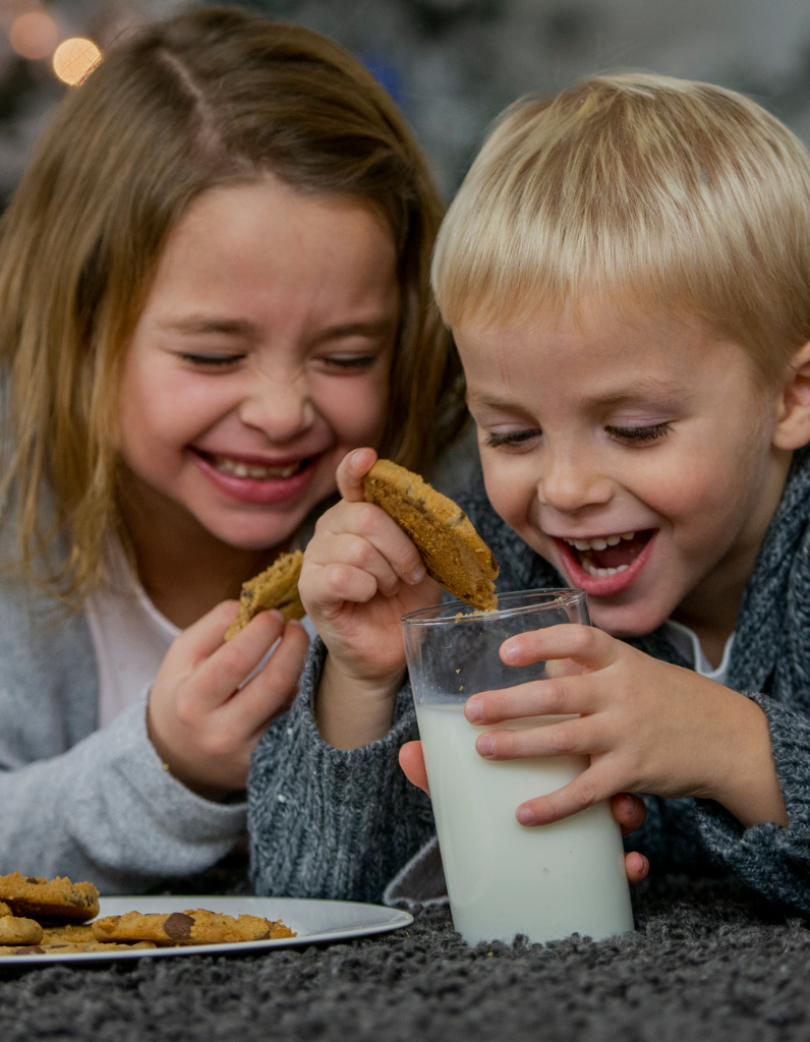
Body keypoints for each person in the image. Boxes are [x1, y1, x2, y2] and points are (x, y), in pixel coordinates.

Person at [249, 73, 810, 914]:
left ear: (792, 397)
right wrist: (362, 682)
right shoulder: (492, 575)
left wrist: (730, 745)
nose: (567, 489)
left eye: (636, 429)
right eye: (511, 435)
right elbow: (309, 900)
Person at [0, 6, 464, 892]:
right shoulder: (16, 521)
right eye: (214, 355)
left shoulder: (425, 523)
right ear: (80, 330)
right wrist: (167, 765)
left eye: (346, 357)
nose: (283, 411)